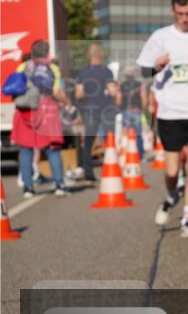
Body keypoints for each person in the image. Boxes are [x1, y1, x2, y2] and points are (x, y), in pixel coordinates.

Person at [137, 0, 188, 238]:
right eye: (180, 14)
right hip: (170, 112)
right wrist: (156, 66)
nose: (184, 18)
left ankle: (187, 219)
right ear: (173, 11)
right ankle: (172, 195)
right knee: (172, 171)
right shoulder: (160, 37)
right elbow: (143, 72)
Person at [11, 40, 69, 198]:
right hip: (47, 112)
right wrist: (67, 103)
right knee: (52, 149)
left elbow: (16, 88)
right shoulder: (53, 68)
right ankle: (59, 185)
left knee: (26, 150)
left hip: (26, 112)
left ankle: (28, 188)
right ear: (47, 52)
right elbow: (56, 91)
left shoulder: (23, 67)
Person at [75, 43, 117, 182]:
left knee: (88, 142)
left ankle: (88, 173)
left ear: (89, 55)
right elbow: (112, 91)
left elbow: (79, 94)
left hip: (89, 110)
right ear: (101, 54)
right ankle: (111, 170)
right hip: (105, 109)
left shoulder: (83, 72)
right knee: (109, 140)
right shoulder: (106, 71)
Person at [116, 66, 147, 159]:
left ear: (125, 75)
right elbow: (144, 98)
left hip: (126, 111)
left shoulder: (121, 86)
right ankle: (140, 154)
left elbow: (118, 100)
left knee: (125, 133)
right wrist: (143, 109)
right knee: (138, 133)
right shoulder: (140, 85)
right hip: (137, 111)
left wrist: (119, 107)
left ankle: (127, 153)